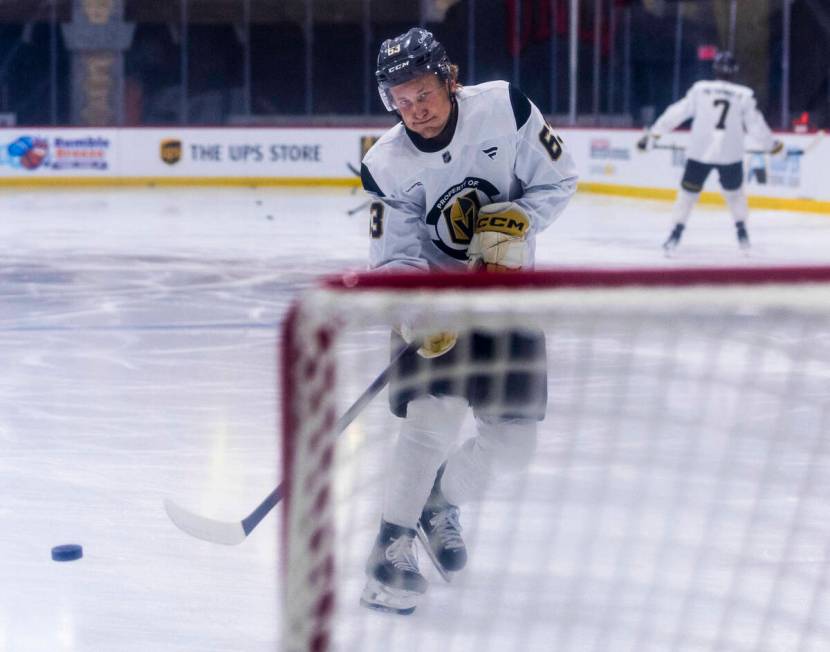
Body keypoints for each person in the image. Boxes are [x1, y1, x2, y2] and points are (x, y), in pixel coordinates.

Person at [358, 27, 578, 615]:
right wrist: (415, 310)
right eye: (399, 101)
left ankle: (438, 504)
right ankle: (389, 549)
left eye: (422, 93)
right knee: (433, 421)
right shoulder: (384, 164)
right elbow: (393, 260)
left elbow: (559, 178)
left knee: (514, 444)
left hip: (509, 304)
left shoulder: (505, 107)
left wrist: (518, 220)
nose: (415, 110)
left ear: (449, 77)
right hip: (442, 309)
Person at [637, 51, 782, 252]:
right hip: (730, 154)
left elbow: (676, 113)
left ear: (715, 69)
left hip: (699, 152)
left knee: (687, 194)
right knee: (735, 194)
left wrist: (653, 135)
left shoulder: (700, 89)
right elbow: (755, 125)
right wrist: (772, 145)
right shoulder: (744, 94)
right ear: (735, 71)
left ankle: (675, 234)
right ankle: (742, 232)